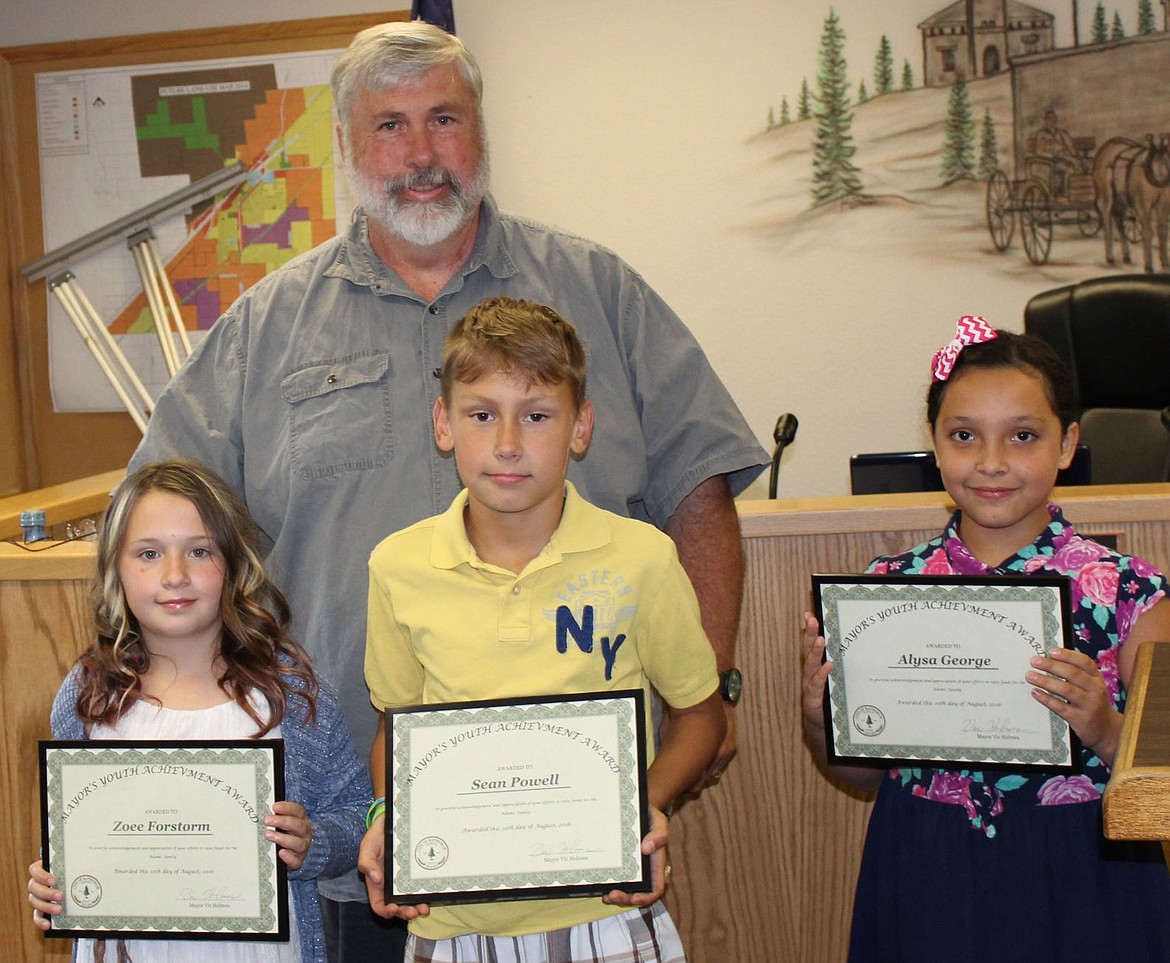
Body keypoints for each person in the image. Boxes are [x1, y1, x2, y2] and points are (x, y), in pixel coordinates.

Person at [127, 20, 767, 958]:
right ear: (347, 147)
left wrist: (705, 698)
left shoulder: (600, 291)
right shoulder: (267, 326)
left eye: (444, 119)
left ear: (483, 132)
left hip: (584, 840)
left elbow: (698, 490)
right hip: (349, 827)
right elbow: (163, 528)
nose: (421, 155)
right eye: (388, 126)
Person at [358, 296, 725, 962]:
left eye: (536, 416)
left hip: (602, 911)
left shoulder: (641, 558)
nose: (506, 443)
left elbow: (701, 714)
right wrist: (388, 815)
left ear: (580, 427)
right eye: (480, 414)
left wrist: (643, 804)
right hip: (452, 923)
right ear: (444, 424)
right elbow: (397, 727)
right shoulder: (397, 566)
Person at [800, 319, 1170, 962]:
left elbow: (1163, 784)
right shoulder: (885, 590)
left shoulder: (1134, 595)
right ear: (936, 446)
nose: (991, 462)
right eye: (964, 435)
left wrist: (1107, 729)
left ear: (1067, 443)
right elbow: (857, 774)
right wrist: (819, 718)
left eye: (1023, 436)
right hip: (926, 868)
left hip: (1086, 875)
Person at [26, 459, 371, 963]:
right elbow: (76, 831)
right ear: (115, 570)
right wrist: (54, 881)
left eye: (199, 551)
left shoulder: (290, 695)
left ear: (234, 563)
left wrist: (312, 842)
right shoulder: (89, 695)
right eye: (148, 553)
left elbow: (357, 813)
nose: (175, 576)